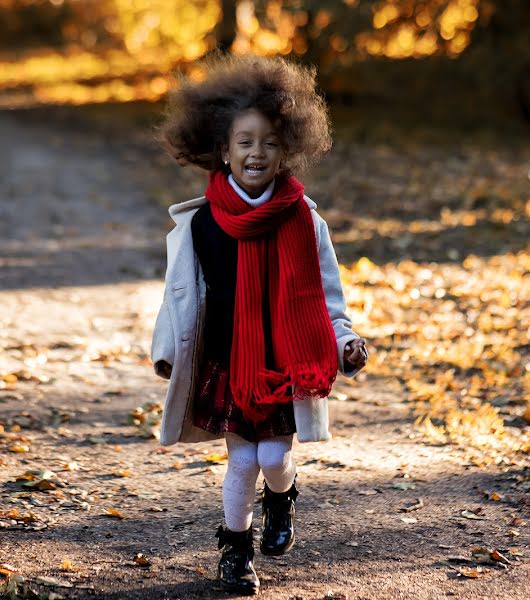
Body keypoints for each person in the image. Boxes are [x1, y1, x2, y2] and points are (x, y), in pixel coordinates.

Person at [150, 54, 368, 596]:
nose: (257, 152)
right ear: (222, 150)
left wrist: (344, 342)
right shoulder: (200, 224)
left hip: (281, 363)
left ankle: (283, 496)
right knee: (242, 462)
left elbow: (326, 297)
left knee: (274, 457)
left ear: (286, 150)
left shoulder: (303, 220)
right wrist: (167, 352)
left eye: (270, 142)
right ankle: (235, 552)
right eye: (244, 142)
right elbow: (179, 300)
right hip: (227, 362)